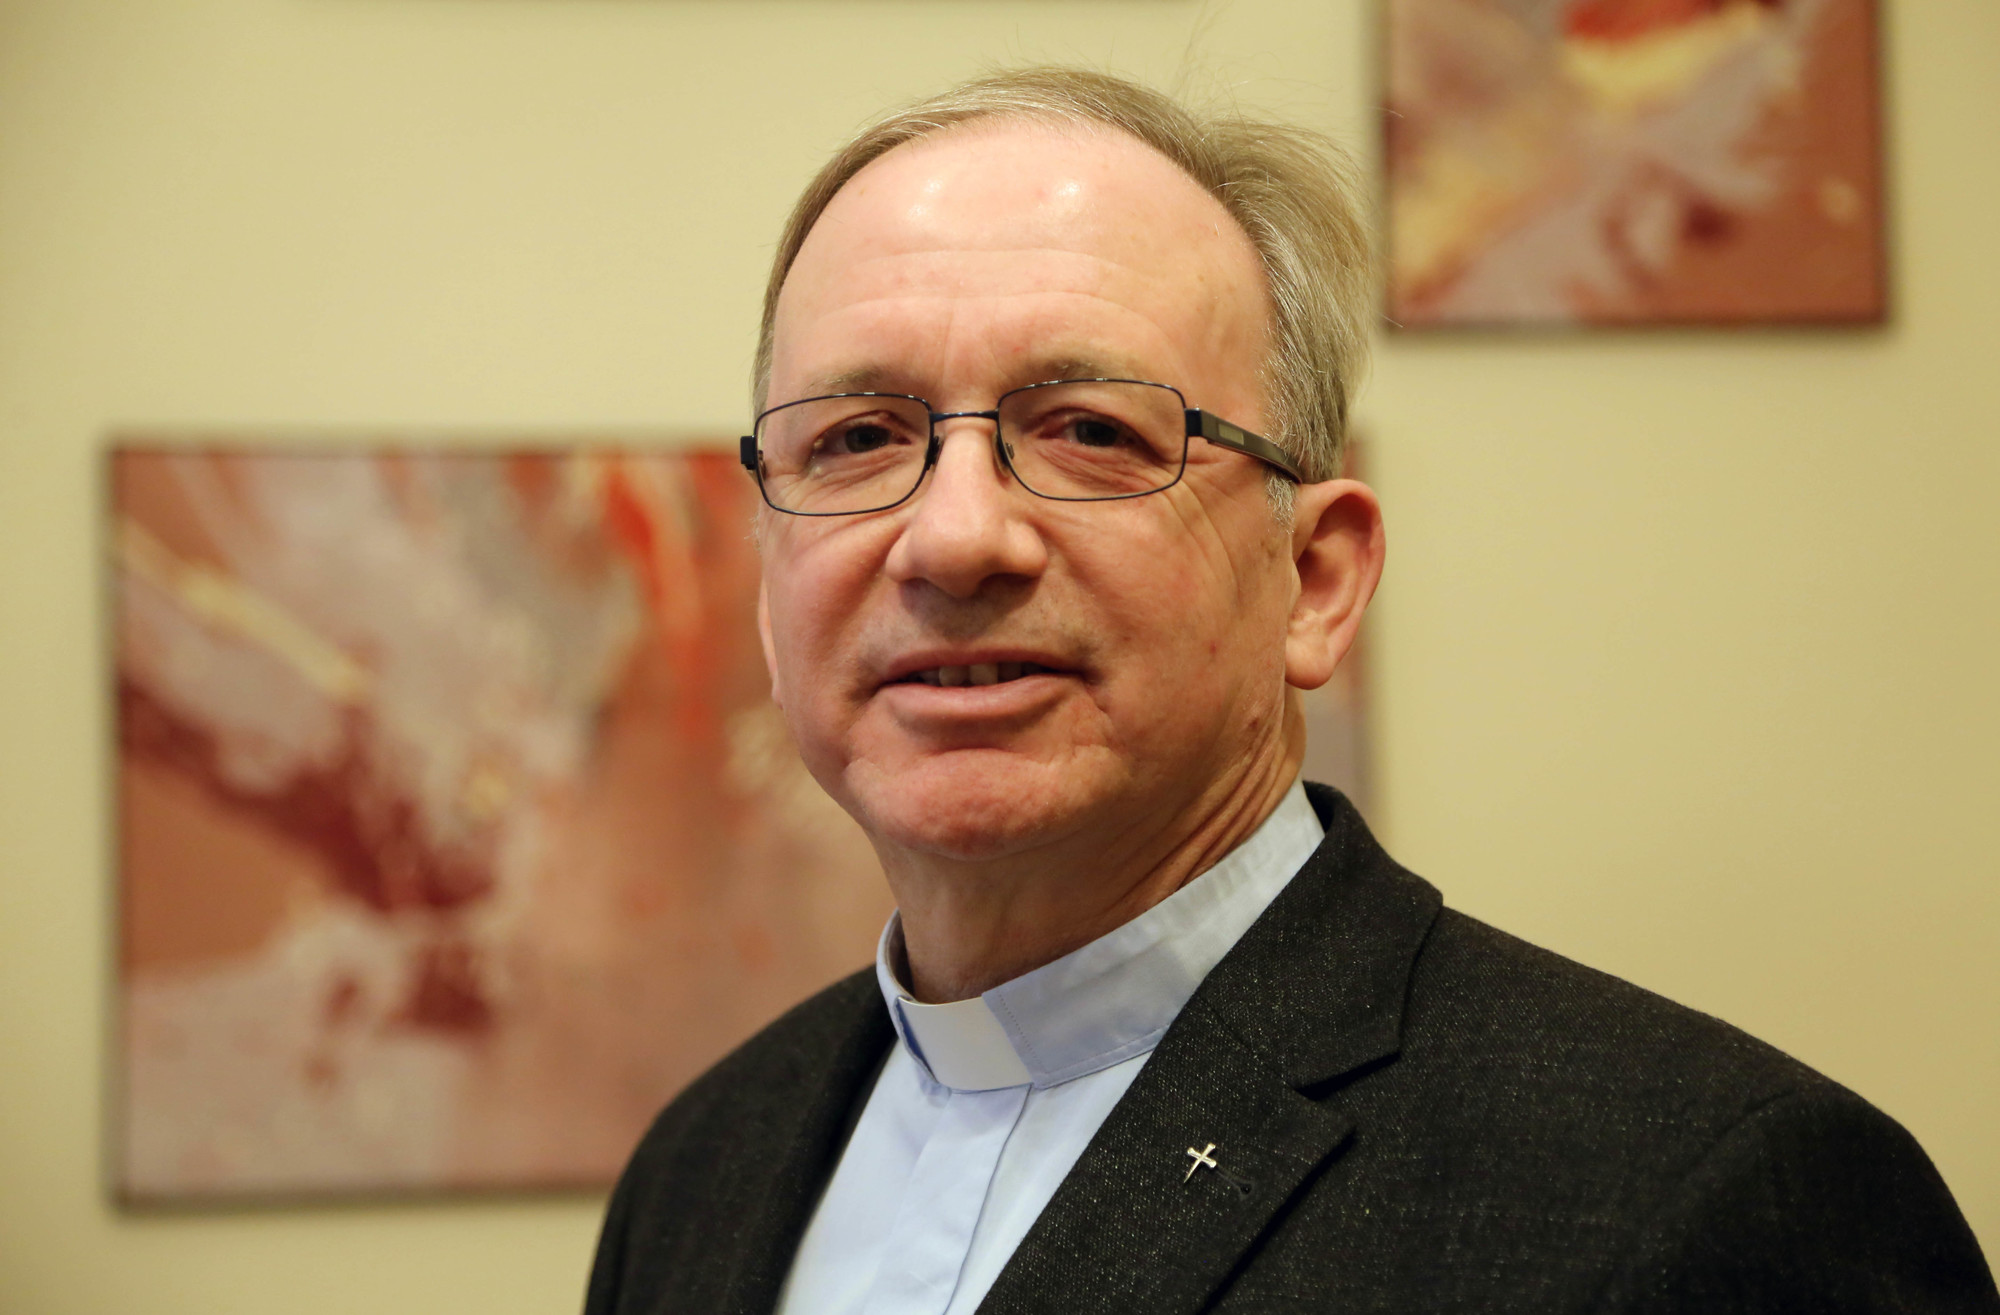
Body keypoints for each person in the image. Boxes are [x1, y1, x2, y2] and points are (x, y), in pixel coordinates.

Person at [586, 68, 1996, 1314]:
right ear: (770, 587)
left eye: (1090, 432)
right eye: (856, 439)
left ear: (1315, 581)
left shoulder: (1709, 1197)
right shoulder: (707, 1165)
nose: (955, 539)